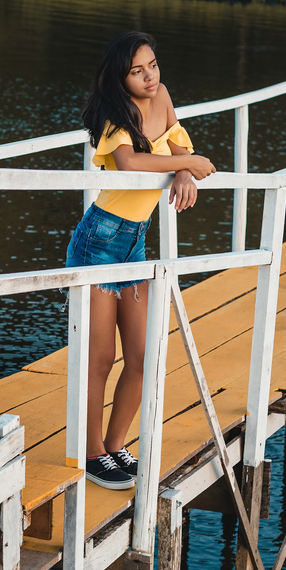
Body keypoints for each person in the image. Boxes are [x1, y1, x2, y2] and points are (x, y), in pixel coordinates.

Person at [68, 31, 215, 490]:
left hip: (135, 240)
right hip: (98, 240)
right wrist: (188, 165)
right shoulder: (117, 113)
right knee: (100, 358)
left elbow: (177, 147)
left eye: (152, 64)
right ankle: (91, 453)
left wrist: (183, 167)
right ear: (121, 77)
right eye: (137, 70)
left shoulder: (163, 96)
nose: (149, 76)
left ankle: (114, 445)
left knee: (141, 355)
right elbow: (130, 164)